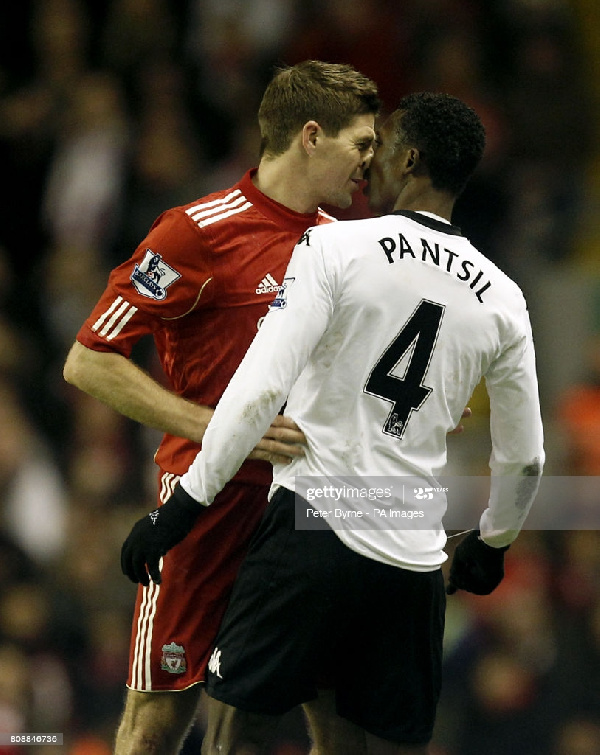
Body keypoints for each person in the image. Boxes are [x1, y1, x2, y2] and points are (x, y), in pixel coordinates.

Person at [121, 92, 545, 755]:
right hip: (411, 556)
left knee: (239, 732)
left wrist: (179, 512)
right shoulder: (504, 297)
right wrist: (492, 545)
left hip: (313, 527)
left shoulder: (335, 245)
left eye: (381, 148)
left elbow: (259, 387)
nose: (367, 163)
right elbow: (525, 458)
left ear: (409, 159)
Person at [63, 60, 381, 754]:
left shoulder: (346, 249)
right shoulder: (195, 233)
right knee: (157, 721)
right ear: (310, 136)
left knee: (333, 718)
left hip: (308, 507)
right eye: (361, 142)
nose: (371, 160)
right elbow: (88, 359)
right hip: (205, 505)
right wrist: (219, 429)